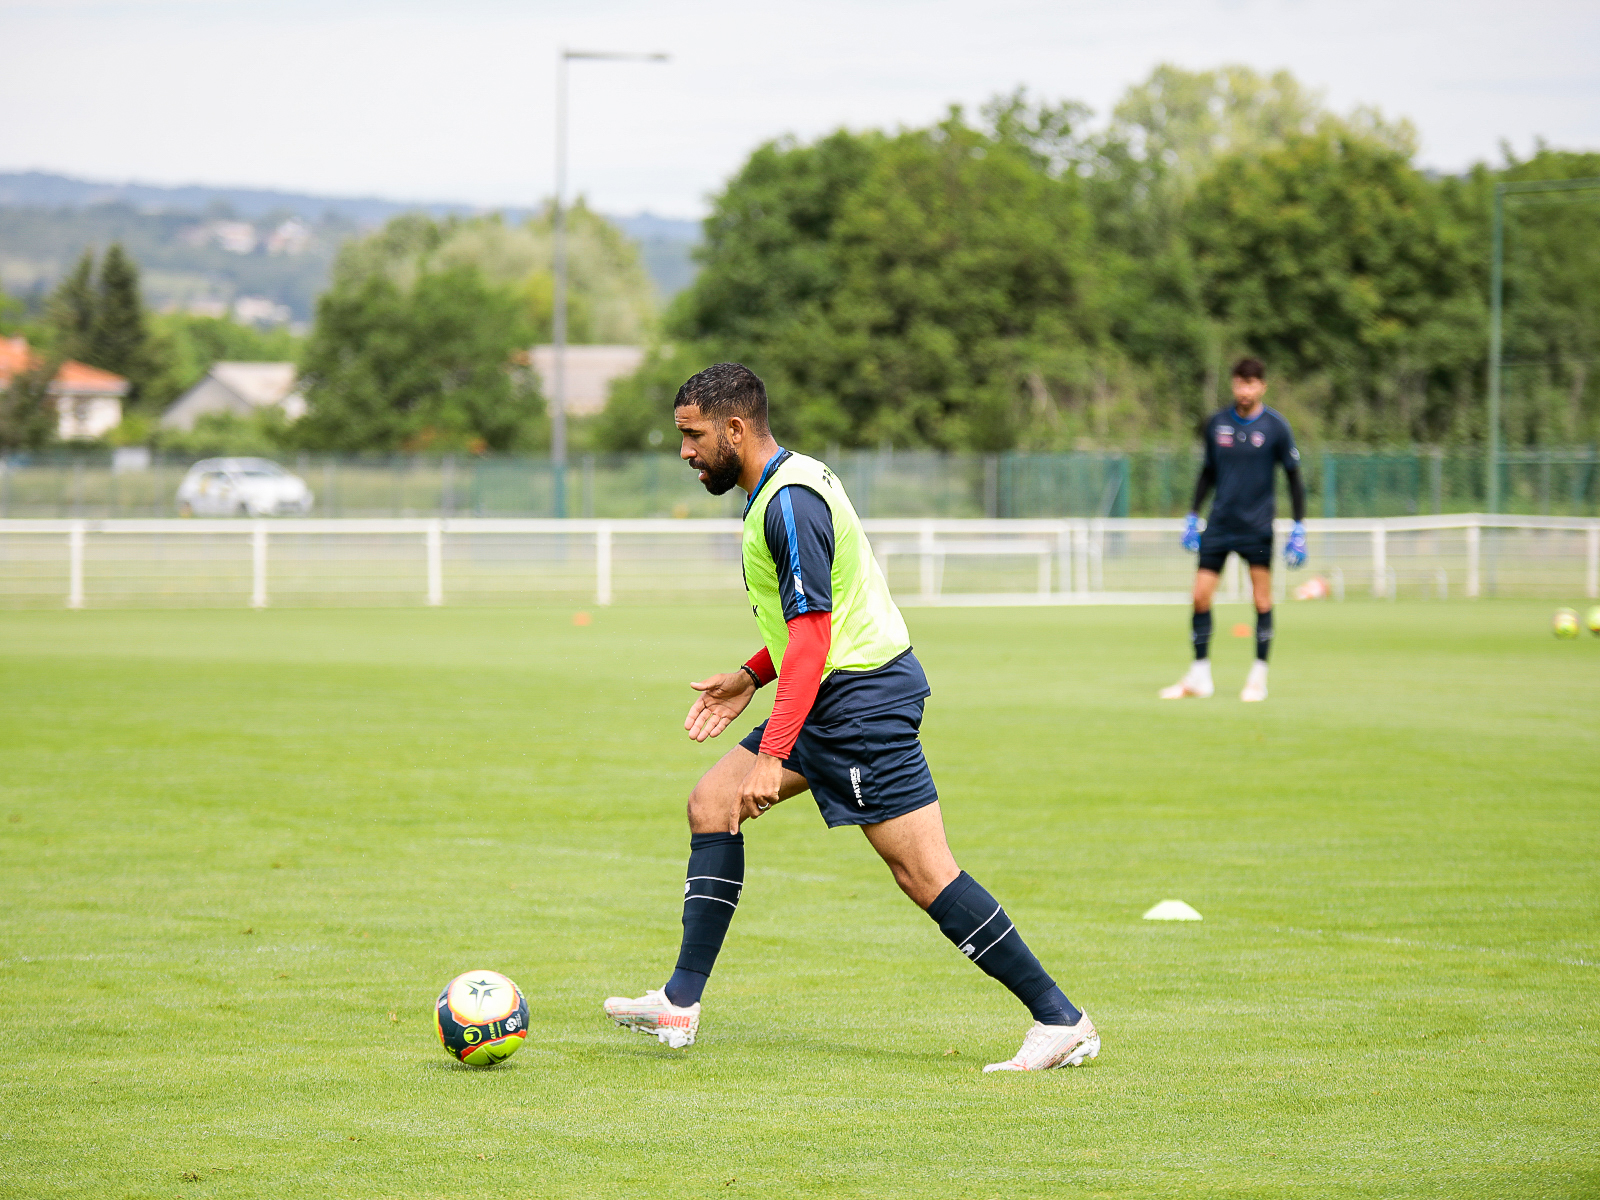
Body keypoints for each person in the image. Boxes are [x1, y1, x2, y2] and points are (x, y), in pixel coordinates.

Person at [603, 362, 1099, 1073]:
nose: (684, 451)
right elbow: (808, 625)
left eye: (693, 435)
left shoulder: (788, 504)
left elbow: (814, 636)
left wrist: (773, 753)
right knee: (712, 802)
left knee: (925, 874)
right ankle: (680, 1002)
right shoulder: (789, 481)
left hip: (861, 702)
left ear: (735, 429)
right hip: (835, 695)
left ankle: (1061, 1019)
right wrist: (749, 675)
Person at [1161, 357, 1307, 703]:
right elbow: (1207, 472)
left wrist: (1299, 527)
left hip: (1256, 529)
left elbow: (1294, 478)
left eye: (1252, 383)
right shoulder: (1217, 424)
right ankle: (1199, 676)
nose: (1245, 390)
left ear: (1262, 386)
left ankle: (1258, 677)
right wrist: (1193, 514)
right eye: (1240, 383)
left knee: (1261, 599)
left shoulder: (1276, 427)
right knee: (1199, 597)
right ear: (1233, 384)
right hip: (1220, 526)